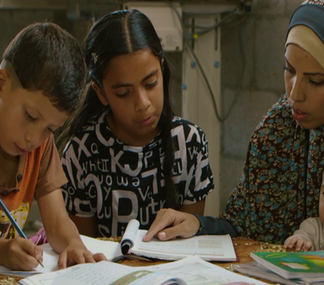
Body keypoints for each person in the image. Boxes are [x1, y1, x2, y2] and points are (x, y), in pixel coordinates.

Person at [146, 0, 324, 245]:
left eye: (316, 80)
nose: (294, 94)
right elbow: (244, 226)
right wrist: (198, 225)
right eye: (290, 70)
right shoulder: (277, 131)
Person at [58, 9, 214, 238]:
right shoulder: (80, 154)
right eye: (123, 93)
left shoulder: (191, 143)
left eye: (150, 83)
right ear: (101, 93)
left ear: (162, 69)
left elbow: (189, 244)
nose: (142, 104)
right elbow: (85, 253)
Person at [0, 22, 105, 271]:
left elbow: (58, 223)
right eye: (30, 116)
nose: (34, 138)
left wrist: (74, 244)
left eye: (50, 129)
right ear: (0, 83)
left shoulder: (41, 147)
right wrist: (0, 251)